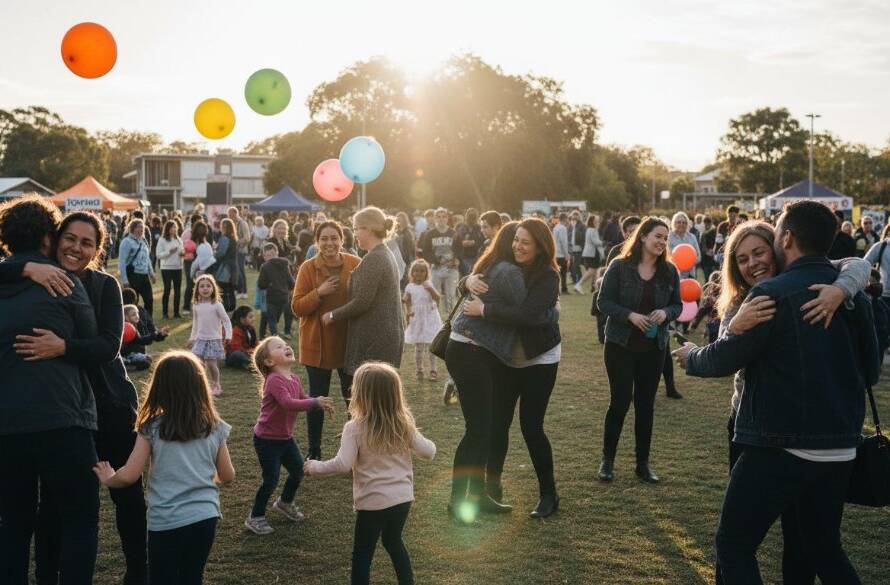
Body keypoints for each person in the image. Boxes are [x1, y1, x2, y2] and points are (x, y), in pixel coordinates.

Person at [675, 201, 879, 585]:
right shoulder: (849, 292)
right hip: (840, 445)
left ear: (783, 238)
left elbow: (720, 360)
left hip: (779, 443)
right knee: (824, 547)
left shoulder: (773, 293)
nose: (753, 262)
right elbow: (870, 371)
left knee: (734, 544)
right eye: (743, 257)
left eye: (761, 250)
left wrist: (690, 357)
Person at [3, 210, 148, 585]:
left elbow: (107, 345)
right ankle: (47, 574)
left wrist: (62, 347)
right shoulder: (38, 277)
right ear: (53, 238)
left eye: (87, 243)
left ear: (98, 250)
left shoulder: (102, 286)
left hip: (107, 403)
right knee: (55, 507)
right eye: (70, 238)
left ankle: (137, 569)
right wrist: (26, 269)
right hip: (64, 414)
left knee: (126, 494)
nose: (76, 248)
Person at [0, 196, 99, 585]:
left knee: (13, 523)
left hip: (8, 425)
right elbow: (92, 342)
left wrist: (19, 268)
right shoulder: (65, 283)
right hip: (64, 421)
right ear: (48, 238)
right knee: (80, 520)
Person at [93, 351, 235, 585]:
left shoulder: (151, 428)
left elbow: (129, 475)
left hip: (166, 520)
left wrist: (109, 478)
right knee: (192, 577)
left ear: (159, 388)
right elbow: (227, 475)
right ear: (200, 385)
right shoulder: (214, 426)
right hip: (205, 517)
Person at [460, 218, 563, 519]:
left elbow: (529, 315)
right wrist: (466, 281)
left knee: (531, 427)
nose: (518, 246)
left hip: (539, 358)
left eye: (526, 242)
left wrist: (486, 310)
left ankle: (549, 494)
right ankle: (492, 489)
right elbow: (477, 273)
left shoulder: (548, 276)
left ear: (540, 246)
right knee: (497, 424)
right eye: (516, 239)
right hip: (504, 358)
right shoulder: (503, 262)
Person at [304, 362, 436, 585]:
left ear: (360, 394)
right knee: (393, 541)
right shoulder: (403, 424)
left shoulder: (355, 427)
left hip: (372, 502)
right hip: (402, 500)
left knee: (363, 552)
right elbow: (429, 452)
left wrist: (314, 467)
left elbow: (343, 464)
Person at [596, 217, 682, 484]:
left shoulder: (669, 271)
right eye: (658, 236)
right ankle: (607, 461)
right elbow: (603, 302)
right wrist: (630, 315)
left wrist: (665, 312)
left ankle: (642, 464)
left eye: (665, 238)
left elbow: (677, 305)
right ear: (642, 237)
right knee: (620, 402)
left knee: (646, 406)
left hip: (653, 349)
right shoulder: (620, 267)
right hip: (620, 345)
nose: (662, 242)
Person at [244, 337, 335, 535]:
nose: (286, 346)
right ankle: (255, 517)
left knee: (298, 470)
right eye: (278, 347)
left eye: (285, 344)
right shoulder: (274, 380)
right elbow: (288, 403)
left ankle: (285, 502)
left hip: (285, 439)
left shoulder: (294, 378)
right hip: (266, 440)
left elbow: (302, 399)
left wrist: (317, 402)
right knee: (271, 479)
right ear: (269, 362)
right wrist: (315, 403)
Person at [292, 221, 362, 460]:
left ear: (342, 240)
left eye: (334, 238)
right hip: (317, 346)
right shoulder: (308, 268)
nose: (329, 243)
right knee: (317, 401)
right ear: (317, 241)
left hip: (349, 344)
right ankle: (315, 452)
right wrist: (319, 293)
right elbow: (297, 307)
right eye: (324, 238)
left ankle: (354, 451)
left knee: (353, 401)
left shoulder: (355, 264)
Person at [322, 207, 404, 375]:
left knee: (373, 396)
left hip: (376, 338)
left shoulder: (375, 258)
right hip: (384, 334)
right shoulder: (383, 254)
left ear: (370, 228)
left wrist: (332, 315)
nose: (355, 233)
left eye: (357, 228)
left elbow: (362, 302)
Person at [188, 275, 233, 397]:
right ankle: (200, 386)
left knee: (212, 365)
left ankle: (216, 385)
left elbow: (226, 321)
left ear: (213, 288)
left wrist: (228, 335)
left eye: (208, 286)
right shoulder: (196, 306)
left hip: (214, 340)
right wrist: (192, 338)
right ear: (197, 289)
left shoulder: (217, 305)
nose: (205, 288)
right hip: (200, 339)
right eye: (202, 286)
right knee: (198, 364)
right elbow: (195, 324)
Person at [402, 259, 443, 381]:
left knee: (432, 345)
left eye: (422, 271)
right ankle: (419, 369)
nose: (418, 273)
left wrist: (430, 289)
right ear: (412, 273)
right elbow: (407, 301)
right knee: (419, 346)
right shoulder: (410, 286)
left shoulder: (429, 284)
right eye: (415, 271)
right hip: (418, 318)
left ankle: (433, 370)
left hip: (430, 317)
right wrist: (408, 312)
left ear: (426, 273)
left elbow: (437, 299)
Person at [419, 208, 460, 311]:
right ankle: (435, 317)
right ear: (435, 218)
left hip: (451, 268)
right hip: (436, 268)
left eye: (444, 216)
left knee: (450, 295)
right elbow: (426, 252)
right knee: (434, 294)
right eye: (439, 216)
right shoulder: (430, 234)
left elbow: (459, 249)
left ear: (447, 218)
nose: (441, 219)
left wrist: (455, 260)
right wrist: (436, 260)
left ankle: (449, 319)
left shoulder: (453, 233)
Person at [118, 218, 156, 317]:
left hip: (144, 276)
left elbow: (147, 259)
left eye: (143, 227)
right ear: (133, 228)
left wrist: (151, 274)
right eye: (139, 227)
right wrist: (125, 280)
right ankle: (133, 324)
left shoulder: (143, 242)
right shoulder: (126, 242)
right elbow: (122, 262)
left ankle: (148, 323)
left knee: (149, 300)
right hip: (132, 275)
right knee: (133, 302)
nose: (141, 229)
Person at [258, 243, 295, 339]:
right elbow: (291, 282)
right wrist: (288, 289)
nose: (270, 257)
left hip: (271, 297)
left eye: (270, 255)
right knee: (287, 314)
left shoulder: (265, 266)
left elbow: (261, 284)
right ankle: (287, 331)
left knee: (272, 318)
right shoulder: (285, 264)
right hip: (284, 296)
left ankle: (274, 336)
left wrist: (267, 285)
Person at [156, 220, 184, 320]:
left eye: (175, 227)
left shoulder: (179, 240)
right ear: (167, 228)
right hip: (167, 268)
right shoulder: (162, 240)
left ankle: (176, 313)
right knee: (167, 289)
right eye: (172, 227)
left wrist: (182, 254)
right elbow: (158, 255)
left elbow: (181, 252)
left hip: (178, 268)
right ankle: (165, 313)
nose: (174, 229)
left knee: (177, 291)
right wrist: (169, 252)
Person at [214, 218, 239, 311]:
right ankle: (232, 309)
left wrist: (214, 252)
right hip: (233, 266)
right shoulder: (234, 238)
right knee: (231, 289)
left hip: (225, 267)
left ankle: (226, 309)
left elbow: (221, 254)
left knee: (223, 288)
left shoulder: (224, 238)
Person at [575, 214, 604, 293]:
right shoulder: (592, 230)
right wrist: (603, 242)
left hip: (590, 253)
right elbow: (595, 242)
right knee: (592, 270)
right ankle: (579, 284)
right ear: (593, 221)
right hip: (592, 253)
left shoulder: (590, 229)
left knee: (595, 271)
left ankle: (595, 287)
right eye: (596, 221)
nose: (598, 222)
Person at [668, 212, 701, 279]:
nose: (681, 224)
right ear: (674, 223)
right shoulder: (669, 237)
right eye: (679, 222)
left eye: (684, 223)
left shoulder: (692, 237)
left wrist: (689, 263)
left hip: (690, 274)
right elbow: (667, 256)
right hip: (674, 275)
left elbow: (699, 256)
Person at [225, 305, 258, 370]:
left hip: (248, 353)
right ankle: (253, 365)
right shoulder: (236, 330)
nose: (253, 319)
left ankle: (248, 365)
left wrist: (257, 349)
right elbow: (236, 348)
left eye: (253, 316)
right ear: (242, 319)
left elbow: (255, 343)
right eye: (250, 317)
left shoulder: (251, 328)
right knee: (237, 354)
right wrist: (250, 351)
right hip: (234, 356)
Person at [228, 207, 251, 299]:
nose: (229, 216)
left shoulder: (242, 223)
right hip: (234, 251)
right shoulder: (231, 223)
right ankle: (238, 290)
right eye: (228, 214)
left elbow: (247, 238)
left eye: (231, 214)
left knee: (240, 271)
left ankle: (243, 291)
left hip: (241, 251)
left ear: (235, 213)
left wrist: (236, 243)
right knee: (236, 271)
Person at [456, 208, 483, 276]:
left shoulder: (480, 228)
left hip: (477, 256)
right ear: (466, 216)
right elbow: (455, 242)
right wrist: (462, 243)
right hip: (463, 257)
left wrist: (474, 243)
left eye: (473, 217)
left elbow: (483, 241)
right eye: (470, 216)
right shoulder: (460, 227)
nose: (471, 219)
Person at [553, 212, 570, 293]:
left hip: (556, 254)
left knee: (556, 273)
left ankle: (556, 289)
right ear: (565, 219)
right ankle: (564, 289)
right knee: (563, 273)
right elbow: (563, 242)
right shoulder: (563, 228)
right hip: (561, 254)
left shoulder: (555, 227)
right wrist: (566, 254)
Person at [569, 210, 586, 286]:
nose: (574, 217)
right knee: (570, 265)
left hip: (579, 248)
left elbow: (582, 237)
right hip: (570, 247)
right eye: (573, 216)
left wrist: (575, 228)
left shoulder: (582, 226)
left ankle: (579, 279)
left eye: (576, 216)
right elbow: (568, 235)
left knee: (577, 265)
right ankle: (574, 279)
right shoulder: (570, 225)